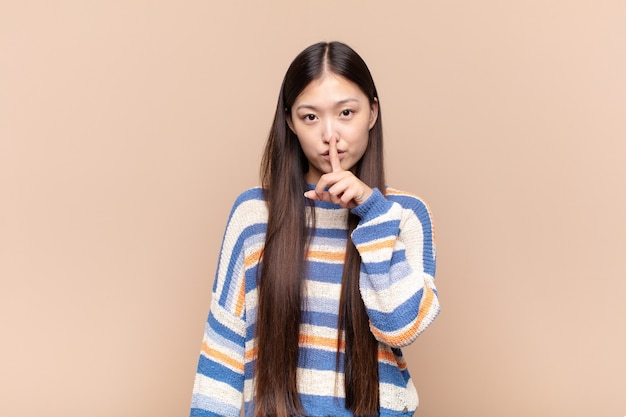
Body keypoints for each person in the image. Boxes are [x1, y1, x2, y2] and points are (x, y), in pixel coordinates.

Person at [190, 41, 440, 417]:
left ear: (372, 112)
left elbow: (402, 327)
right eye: (310, 117)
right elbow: (223, 346)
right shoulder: (255, 214)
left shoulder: (403, 213)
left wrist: (371, 212)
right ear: (290, 121)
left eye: (346, 113)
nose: (330, 135)